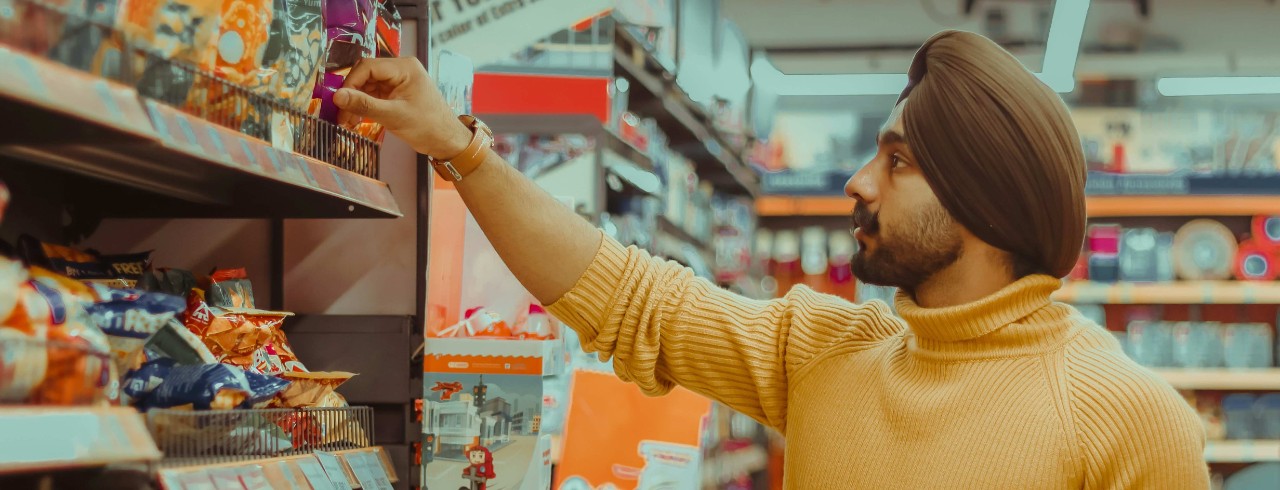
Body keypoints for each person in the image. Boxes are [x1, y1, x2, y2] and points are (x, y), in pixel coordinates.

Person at [335, 30, 1209, 489]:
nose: (858, 182)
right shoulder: (824, 351)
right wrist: (458, 146)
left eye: (898, 161)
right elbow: (625, 295)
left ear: (983, 202)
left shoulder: (1126, 419)